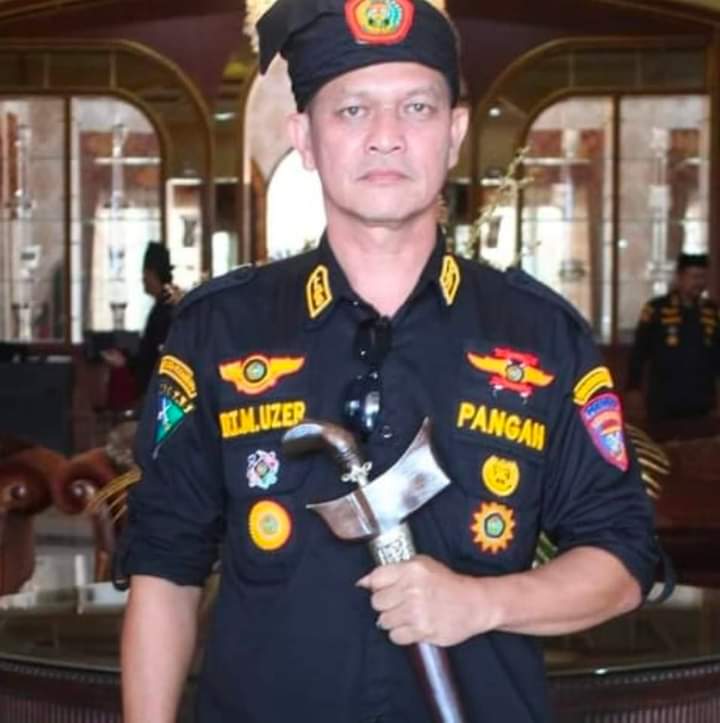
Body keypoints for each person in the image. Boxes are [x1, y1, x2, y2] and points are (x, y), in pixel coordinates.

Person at [118, 2, 661, 722]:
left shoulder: (539, 336)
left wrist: (479, 602)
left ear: (454, 133)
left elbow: (622, 561)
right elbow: (164, 569)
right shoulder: (220, 331)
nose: (385, 136)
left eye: (416, 107)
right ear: (304, 138)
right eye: (351, 110)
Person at [627, 252, 720, 422]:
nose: (699, 283)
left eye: (703, 277)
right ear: (680, 277)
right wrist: (633, 387)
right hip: (664, 399)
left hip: (702, 400)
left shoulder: (712, 310)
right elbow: (639, 352)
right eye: (694, 277)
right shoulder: (656, 309)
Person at [102, 242, 178, 404]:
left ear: (152, 274)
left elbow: (155, 359)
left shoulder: (164, 311)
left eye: (144, 274)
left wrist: (126, 363)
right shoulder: (164, 306)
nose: (142, 280)